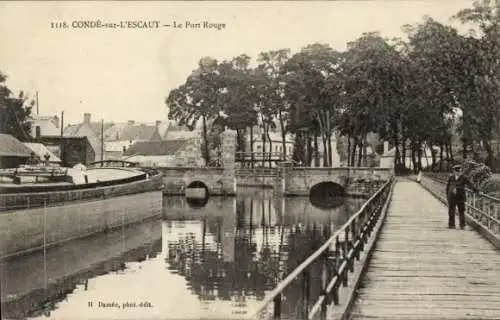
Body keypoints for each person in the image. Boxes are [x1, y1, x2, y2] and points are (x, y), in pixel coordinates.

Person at [446, 164, 478, 229]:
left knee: (461, 211)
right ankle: (451, 225)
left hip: (460, 196)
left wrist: (477, 190)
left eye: (459, 171)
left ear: (461, 171)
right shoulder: (451, 177)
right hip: (451, 197)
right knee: (451, 211)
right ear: (454, 171)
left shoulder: (464, 178)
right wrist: (447, 195)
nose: (458, 173)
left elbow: (470, 185)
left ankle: (462, 225)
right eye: (456, 171)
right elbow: (447, 187)